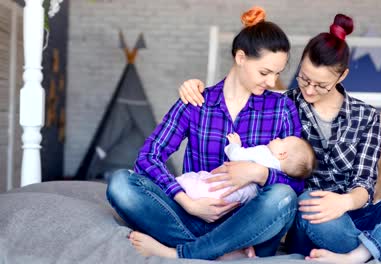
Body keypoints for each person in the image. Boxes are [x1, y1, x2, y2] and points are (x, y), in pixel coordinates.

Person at [178, 13, 381, 263]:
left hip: (357, 214)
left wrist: (343, 202)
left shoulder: (366, 117)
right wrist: (195, 86)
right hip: (312, 221)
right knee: (310, 200)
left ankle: (362, 253)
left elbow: (364, 184)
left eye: (320, 84)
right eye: (304, 79)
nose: (309, 90)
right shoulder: (284, 105)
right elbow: (239, 89)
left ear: (342, 76)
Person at [106, 6, 306, 260]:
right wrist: (188, 203)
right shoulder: (197, 100)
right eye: (265, 72)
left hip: (248, 225)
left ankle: (181, 253)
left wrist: (260, 173)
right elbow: (148, 157)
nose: (271, 82)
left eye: (277, 74)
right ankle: (225, 253)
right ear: (241, 57)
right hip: (191, 215)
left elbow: (297, 183)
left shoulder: (282, 108)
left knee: (283, 197)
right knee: (121, 184)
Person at [177, 132, 315, 204]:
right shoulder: (280, 175)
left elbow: (236, 156)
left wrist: (234, 144)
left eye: (282, 140)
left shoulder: (264, 152)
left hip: (223, 186)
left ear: (282, 154)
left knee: (194, 181)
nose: (278, 138)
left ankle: (180, 186)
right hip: (240, 199)